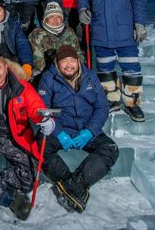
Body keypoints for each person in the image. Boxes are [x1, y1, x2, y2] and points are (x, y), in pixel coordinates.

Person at [0, 55, 55, 220]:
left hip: (15, 138)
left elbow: (37, 108)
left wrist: (46, 120)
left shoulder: (21, 87)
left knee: (34, 176)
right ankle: (8, 198)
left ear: (6, 68)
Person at [37, 45, 119, 213]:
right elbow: (43, 109)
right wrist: (59, 133)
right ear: (57, 63)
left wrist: (89, 131)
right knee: (39, 146)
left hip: (86, 128)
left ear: (78, 61)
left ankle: (74, 185)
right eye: (64, 61)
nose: (69, 65)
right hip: (60, 127)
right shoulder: (48, 78)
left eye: (72, 61)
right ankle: (71, 185)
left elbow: (102, 108)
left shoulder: (90, 77)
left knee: (110, 149)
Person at [77, 0, 147, 121]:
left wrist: (139, 24)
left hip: (125, 33)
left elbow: (139, 1)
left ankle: (133, 104)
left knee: (131, 69)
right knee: (105, 69)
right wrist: (82, 10)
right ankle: (112, 101)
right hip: (101, 33)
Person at [28, 1, 83, 76]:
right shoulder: (37, 34)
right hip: (47, 72)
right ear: (45, 19)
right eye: (51, 17)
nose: (55, 20)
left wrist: (80, 68)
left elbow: (78, 53)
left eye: (58, 17)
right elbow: (38, 63)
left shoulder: (69, 31)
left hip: (69, 69)